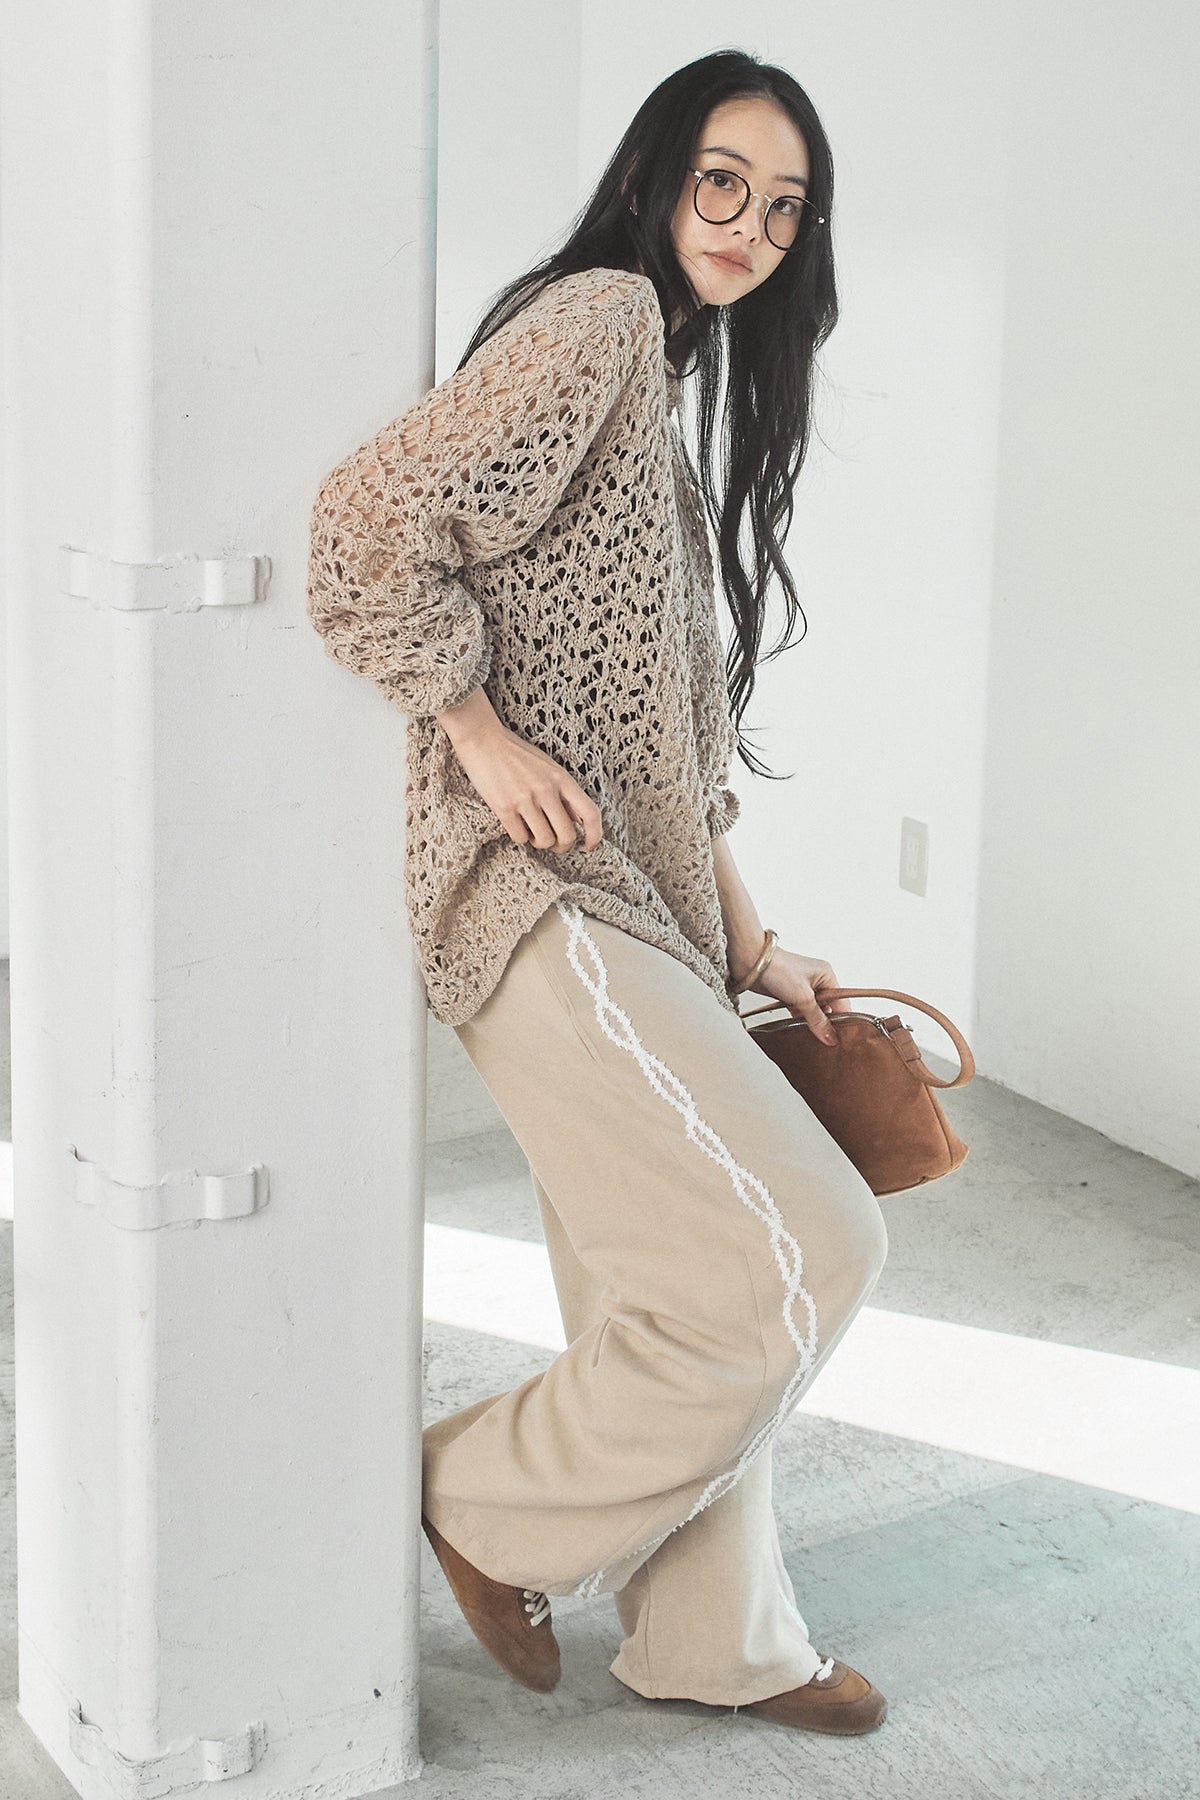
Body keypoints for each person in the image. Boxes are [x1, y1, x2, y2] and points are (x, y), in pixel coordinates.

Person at [306, 48, 891, 1735]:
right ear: (654, 174)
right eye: (724, 181)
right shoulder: (602, 323)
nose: (752, 225)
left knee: (664, 1284)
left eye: (786, 207)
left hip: (640, 909)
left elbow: (666, 744)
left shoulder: (664, 385)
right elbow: (364, 526)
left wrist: (757, 944)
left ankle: (718, 1643)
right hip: (541, 904)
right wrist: (476, 736)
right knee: (803, 1249)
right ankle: (476, 1502)